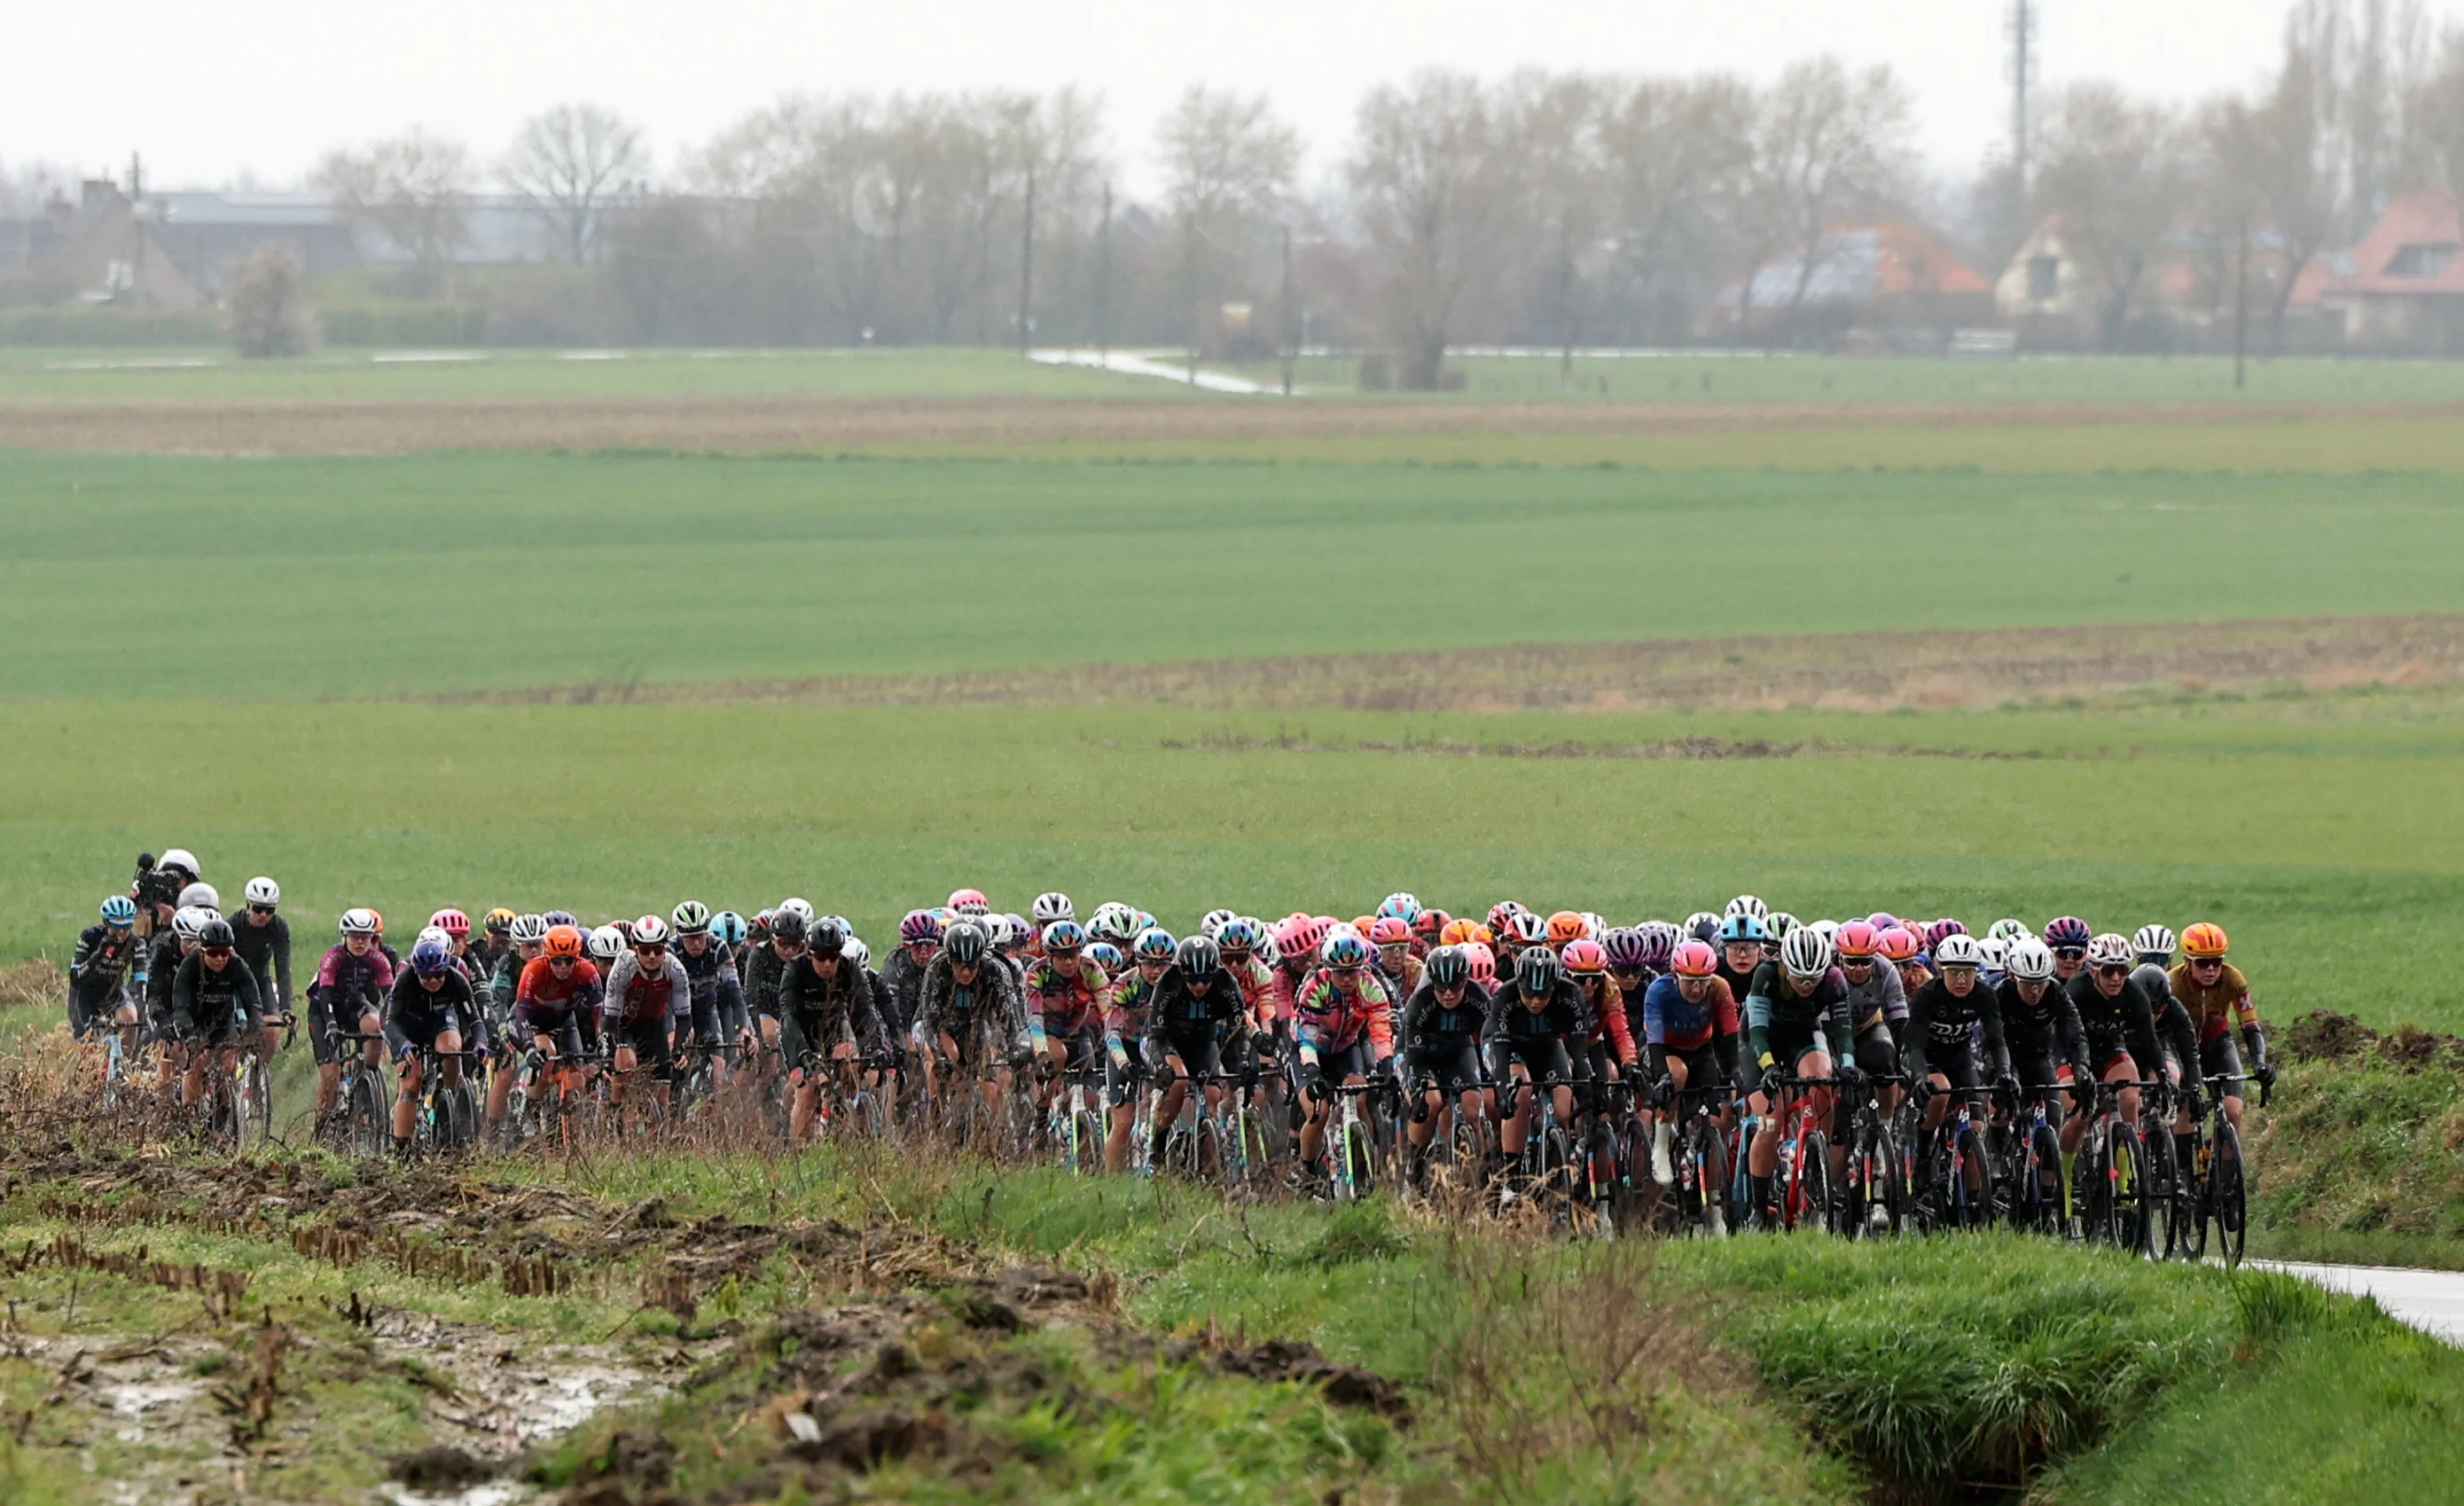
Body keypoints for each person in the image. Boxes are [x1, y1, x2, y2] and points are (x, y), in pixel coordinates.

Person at [1742, 927, 1853, 1227]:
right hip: (1761, 1039)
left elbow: (1843, 1029)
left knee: (1823, 1085)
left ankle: (1816, 1165)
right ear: (1785, 967)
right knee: (1770, 1121)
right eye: (1799, 978)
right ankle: (1759, 1208)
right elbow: (1757, 1032)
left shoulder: (1833, 979)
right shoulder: (1766, 975)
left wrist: (1848, 1064)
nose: (1806, 986)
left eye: (1812, 980)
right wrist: (1767, 1068)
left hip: (1803, 1035)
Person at [1902, 935, 2012, 1197]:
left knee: (1976, 1124)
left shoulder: (1984, 994)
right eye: (1954, 973)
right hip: (1924, 1056)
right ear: (1941, 971)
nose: (1961, 980)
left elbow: (1997, 1041)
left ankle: (1972, 1202)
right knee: (1939, 1093)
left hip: (1958, 1057)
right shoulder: (1927, 995)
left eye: (1968, 972)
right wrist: (1919, 1078)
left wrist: (2005, 1072)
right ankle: (1923, 1155)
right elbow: (1914, 1045)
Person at [2059, 933, 2180, 1159]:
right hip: (2070, 1051)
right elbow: (2070, 1038)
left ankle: (2125, 1180)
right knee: (2081, 1112)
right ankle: (2064, 1179)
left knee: (2130, 1098)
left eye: (2122, 970)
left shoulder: (2134, 993)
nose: (2116, 978)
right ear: (2094, 971)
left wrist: (2163, 1075)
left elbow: (2149, 1039)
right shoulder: (2076, 991)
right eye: (2108, 971)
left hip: (2109, 1048)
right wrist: (2081, 1071)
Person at [1138, 935, 1253, 1173]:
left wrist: (1243, 1061)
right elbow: (1155, 1037)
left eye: (1205, 980)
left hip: (1202, 1041)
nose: (1200, 986)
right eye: (1192, 981)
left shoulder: (1226, 983)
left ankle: (1206, 1162)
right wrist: (1159, 1066)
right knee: (1178, 1084)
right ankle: (1156, 1145)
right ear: (1182, 973)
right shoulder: (1167, 982)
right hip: (1168, 1040)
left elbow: (1238, 1031)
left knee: (1212, 1096)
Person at [1291, 929, 1396, 1180]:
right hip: (1309, 1051)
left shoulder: (1370, 986)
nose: (1348, 979)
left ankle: (1364, 1169)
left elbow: (1380, 1031)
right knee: (1319, 1111)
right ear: (1329, 970)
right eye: (1341, 973)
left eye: (1353, 971)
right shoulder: (1315, 987)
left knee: (1360, 1099)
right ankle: (1306, 1172)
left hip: (1346, 1049)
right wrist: (1313, 1070)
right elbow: (1307, 1035)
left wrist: (1387, 1063)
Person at [1483, 945, 1585, 1199]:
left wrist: (1585, 1085)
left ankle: (1556, 1172)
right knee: (1521, 1088)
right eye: (1529, 995)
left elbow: (1580, 1049)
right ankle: (1511, 1177)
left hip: (1548, 1046)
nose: (1536, 1002)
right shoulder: (1505, 996)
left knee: (1563, 1109)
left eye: (1543, 995)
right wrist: (1504, 1092)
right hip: (1508, 1046)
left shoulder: (1570, 993)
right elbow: (1501, 1050)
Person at [1639, 939, 1741, 1188]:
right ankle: (1661, 1146)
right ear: (1675, 976)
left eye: (1703, 981)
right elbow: (1654, 1039)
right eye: (1690, 980)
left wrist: (1737, 1070)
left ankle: (1711, 1196)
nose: (1697, 988)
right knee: (1676, 1074)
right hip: (1664, 1049)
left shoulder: (1719, 988)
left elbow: (1730, 1035)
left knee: (1714, 1118)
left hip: (1701, 1050)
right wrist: (1662, 1076)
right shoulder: (1658, 990)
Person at [2167, 922, 2273, 1144]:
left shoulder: (2233, 979)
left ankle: (2223, 1170)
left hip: (2217, 1043)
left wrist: (2260, 1063)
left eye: (2216, 962)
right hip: (2182, 1047)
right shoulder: (2173, 983)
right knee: (2187, 1113)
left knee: (2233, 1111)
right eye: (2203, 963)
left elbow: (2251, 1027)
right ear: (2188, 962)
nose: (2211, 970)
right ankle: (2184, 1174)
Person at [778, 916, 880, 1141]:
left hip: (833, 1032)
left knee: (852, 1068)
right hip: (798, 1035)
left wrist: (877, 1046)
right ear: (809, 954)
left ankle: (845, 1127)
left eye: (833, 956)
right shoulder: (795, 969)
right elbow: (788, 1016)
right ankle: (798, 1152)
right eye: (821, 957)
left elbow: (866, 1012)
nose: (827, 964)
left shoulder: (849, 969)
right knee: (807, 1090)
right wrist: (803, 1053)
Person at [918, 918, 1029, 1123]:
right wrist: (939, 1054)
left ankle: (986, 1129)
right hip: (942, 1026)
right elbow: (930, 1019)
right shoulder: (937, 968)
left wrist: (1016, 1048)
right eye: (960, 965)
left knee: (989, 1080)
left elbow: (1008, 1016)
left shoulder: (994, 970)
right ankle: (934, 1118)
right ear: (950, 960)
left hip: (974, 1026)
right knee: (947, 1058)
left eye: (972, 965)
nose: (967, 972)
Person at [493, 923, 603, 1128]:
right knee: (546, 1052)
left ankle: (572, 1140)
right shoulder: (533, 969)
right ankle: (531, 1113)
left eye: (569, 961)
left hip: (564, 1024)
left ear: (577, 958)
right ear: (548, 957)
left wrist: (604, 1044)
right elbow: (522, 1012)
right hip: (532, 1022)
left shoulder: (587, 972)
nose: (563, 967)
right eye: (556, 961)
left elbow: (599, 1014)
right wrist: (529, 1048)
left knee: (577, 1079)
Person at [1397, 944, 1490, 1177]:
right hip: (1419, 1053)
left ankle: (1482, 1172)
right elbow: (1415, 1057)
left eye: (1456, 986)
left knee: (1472, 1108)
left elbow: (1493, 1038)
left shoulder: (1479, 998)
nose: (1448, 994)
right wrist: (1419, 1091)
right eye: (1441, 987)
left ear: (1466, 981)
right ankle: (1415, 1168)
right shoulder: (1420, 1002)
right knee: (1432, 1102)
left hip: (1457, 1051)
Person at [384, 934, 472, 1151]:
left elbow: (474, 1018)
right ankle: (402, 1149)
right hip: (408, 1027)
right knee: (412, 1084)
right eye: (426, 976)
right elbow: (389, 1022)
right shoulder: (405, 978)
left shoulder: (457, 976)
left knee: (452, 1051)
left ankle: (449, 1099)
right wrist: (403, 1044)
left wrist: (479, 1043)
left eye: (438, 975)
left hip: (439, 1021)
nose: (433, 981)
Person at [304, 908, 394, 1123]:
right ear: (345, 936)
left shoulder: (379, 960)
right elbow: (325, 996)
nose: (360, 942)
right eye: (355, 936)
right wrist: (332, 1025)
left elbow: (390, 997)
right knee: (330, 1074)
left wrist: (393, 1025)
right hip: (324, 1011)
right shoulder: (333, 957)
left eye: (366, 937)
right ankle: (322, 1127)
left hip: (355, 1007)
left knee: (375, 1026)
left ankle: (368, 1077)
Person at [601, 915, 693, 1122]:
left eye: (658, 950)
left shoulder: (675, 969)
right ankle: (613, 1113)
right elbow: (609, 1019)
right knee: (626, 1066)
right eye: (645, 950)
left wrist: (678, 1049)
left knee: (661, 1098)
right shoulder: (623, 966)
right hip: (622, 1025)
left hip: (653, 1026)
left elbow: (685, 1018)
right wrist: (608, 1060)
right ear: (635, 949)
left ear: (665, 948)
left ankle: (653, 1146)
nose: (652, 956)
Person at [169, 918, 266, 1112]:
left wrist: (255, 1028)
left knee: (229, 1063)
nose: (220, 959)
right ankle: (190, 1112)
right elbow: (180, 1007)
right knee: (198, 1061)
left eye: (225, 953)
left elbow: (253, 1001)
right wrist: (190, 1037)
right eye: (214, 953)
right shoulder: (189, 966)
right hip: (195, 1022)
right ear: (203, 951)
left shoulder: (237, 965)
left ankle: (224, 1114)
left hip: (223, 1020)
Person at [69, 895, 143, 1045]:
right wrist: (98, 955)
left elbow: (141, 977)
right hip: (84, 993)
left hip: (112, 991)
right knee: (86, 1045)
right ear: (105, 922)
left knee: (131, 1019)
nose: (121, 932)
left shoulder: (136, 942)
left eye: (127, 927)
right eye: (116, 927)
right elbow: (75, 976)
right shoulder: (89, 936)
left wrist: (141, 1003)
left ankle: (125, 1063)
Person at [231, 878, 293, 1029]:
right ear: (248, 905)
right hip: (234, 983)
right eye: (258, 909)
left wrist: (286, 1008)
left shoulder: (278, 927)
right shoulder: (233, 924)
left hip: (260, 980)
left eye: (269, 910)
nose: (263, 915)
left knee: (273, 1026)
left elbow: (283, 968)